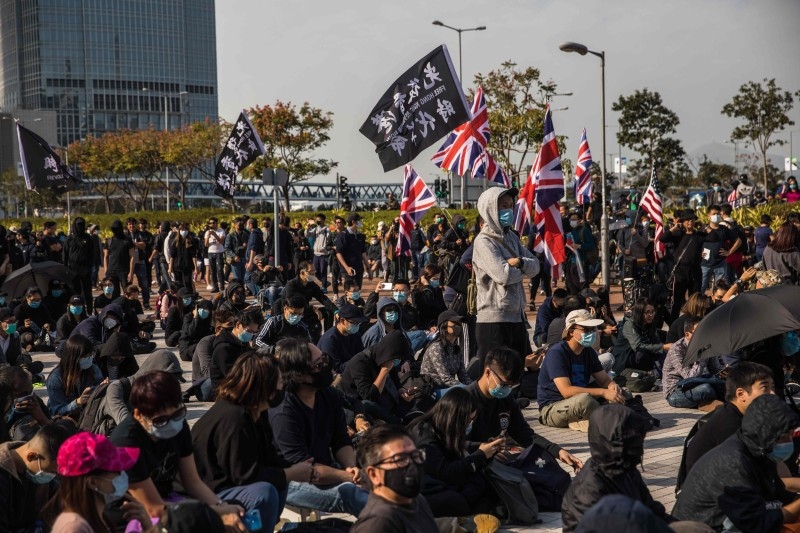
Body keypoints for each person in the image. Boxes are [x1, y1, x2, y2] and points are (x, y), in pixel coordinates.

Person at [192, 352, 315, 532]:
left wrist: (297, 467)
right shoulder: (234, 418)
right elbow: (244, 475)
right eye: (280, 383)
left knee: (278, 480)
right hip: (208, 494)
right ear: (265, 387)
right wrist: (290, 473)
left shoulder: (255, 412)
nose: (283, 387)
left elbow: (268, 458)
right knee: (265, 493)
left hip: (227, 485)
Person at [109, 371, 244, 524]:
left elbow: (193, 482)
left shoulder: (178, 426)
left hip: (168, 500)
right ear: (139, 414)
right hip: (132, 516)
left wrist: (222, 506)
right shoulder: (125, 444)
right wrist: (217, 512)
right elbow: (153, 508)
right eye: (161, 420)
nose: (172, 423)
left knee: (237, 510)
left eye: (178, 413)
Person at [269, 339, 368, 516]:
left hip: (327, 467)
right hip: (292, 480)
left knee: (386, 483)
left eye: (325, 359)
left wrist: (351, 467)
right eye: (319, 364)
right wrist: (350, 477)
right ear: (300, 375)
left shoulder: (328, 395)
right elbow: (306, 469)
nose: (326, 366)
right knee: (353, 495)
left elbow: (340, 439)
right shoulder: (284, 411)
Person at [672, 394, 800, 531]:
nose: (789, 443)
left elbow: (779, 495)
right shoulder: (733, 464)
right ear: (765, 434)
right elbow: (757, 524)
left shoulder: (758, 451)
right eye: (784, 437)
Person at [468, 347, 583, 470]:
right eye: (504, 384)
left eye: (512, 386)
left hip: (495, 460)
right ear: (488, 372)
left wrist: (557, 451)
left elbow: (525, 435)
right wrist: (483, 451)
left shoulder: (506, 400)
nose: (507, 389)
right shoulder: (463, 400)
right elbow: (451, 444)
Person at [560, 404, 667, 532]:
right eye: (630, 438)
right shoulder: (590, 487)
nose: (638, 444)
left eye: (638, 437)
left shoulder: (625, 469)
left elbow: (653, 511)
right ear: (610, 441)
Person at [407, 388, 499, 518]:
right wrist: (481, 455)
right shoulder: (425, 437)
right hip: (424, 493)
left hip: (436, 485)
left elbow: (453, 445)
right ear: (455, 417)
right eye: (468, 421)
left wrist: (484, 447)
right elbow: (446, 473)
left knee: (483, 481)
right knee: (470, 491)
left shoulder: (437, 426)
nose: (469, 424)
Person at [472, 187, 539, 365]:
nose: (508, 211)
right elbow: (503, 275)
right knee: (496, 375)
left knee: (521, 371)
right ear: (490, 208)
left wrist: (519, 262)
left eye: (510, 205)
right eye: (503, 206)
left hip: (517, 317)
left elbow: (535, 266)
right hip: (494, 320)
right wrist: (521, 268)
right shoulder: (484, 241)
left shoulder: (512, 237)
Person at [538, 310, 625, 431]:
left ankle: (587, 419)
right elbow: (566, 391)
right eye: (586, 329)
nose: (592, 333)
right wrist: (603, 392)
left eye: (593, 329)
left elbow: (604, 379)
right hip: (553, 407)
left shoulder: (588, 351)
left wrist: (612, 386)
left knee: (622, 393)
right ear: (571, 331)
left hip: (579, 402)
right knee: (586, 401)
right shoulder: (557, 353)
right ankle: (598, 420)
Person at [684, 361, 775, 474]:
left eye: (772, 387)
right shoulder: (729, 426)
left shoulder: (742, 414)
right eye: (765, 387)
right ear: (741, 394)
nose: (772, 393)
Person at [51, 431, 151, 533]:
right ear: (93, 482)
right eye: (116, 471)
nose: (123, 475)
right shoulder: (74, 527)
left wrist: (147, 527)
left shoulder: (97, 518)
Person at [351, 425, 438, 533]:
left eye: (415, 455)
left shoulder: (416, 500)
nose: (412, 465)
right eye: (401, 459)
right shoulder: (378, 523)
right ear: (374, 474)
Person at [0, 420, 77, 532]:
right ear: (32, 456)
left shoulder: (35, 469)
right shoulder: (3, 477)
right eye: (52, 471)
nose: (53, 476)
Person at [662, 318, 724, 410]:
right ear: (687, 334)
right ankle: (709, 403)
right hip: (677, 390)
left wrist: (724, 372)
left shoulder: (707, 344)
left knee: (727, 384)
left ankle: (708, 402)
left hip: (698, 383)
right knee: (707, 389)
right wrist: (701, 356)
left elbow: (715, 369)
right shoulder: (676, 349)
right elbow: (690, 377)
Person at [660, 209, 704, 319]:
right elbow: (662, 238)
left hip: (695, 271)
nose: (690, 222)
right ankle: (673, 324)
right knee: (677, 300)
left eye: (692, 220)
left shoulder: (699, 235)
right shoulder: (678, 235)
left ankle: (694, 321)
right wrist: (675, 227)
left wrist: (703, 226)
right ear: (683, 222)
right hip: (680, 272)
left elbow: (714, 237)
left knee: (695, 299)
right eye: (687, 220)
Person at [46, 334, 104, 417]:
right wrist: (78, 402)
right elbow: (57, 411)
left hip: (88, 414)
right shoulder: (56, 378)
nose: (89, 358)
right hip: (66, 419)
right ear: (74, 358)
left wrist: (102, 388)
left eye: (91, 355)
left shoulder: (93, 369)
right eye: (86, 356)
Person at [612, 297, 672, 374]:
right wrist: (662, 347)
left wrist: (664, 348)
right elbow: (637, 346)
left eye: (653, 311)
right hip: (625, 357)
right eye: (647, 312)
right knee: (641, 355)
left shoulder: (650, 323)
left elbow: (656, 342)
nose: (651, 315)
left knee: (662, 350)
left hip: (644, 352)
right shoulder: (629, 324)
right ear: (640, 313)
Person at [283, 261, 338, 342]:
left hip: (308, 310)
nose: (313, 273)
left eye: (314, 271)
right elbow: (292, 303)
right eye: (310, 271)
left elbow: (322, 298)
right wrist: (313, 309)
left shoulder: (311, 284)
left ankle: (327, 336)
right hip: (295, 312)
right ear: (302, 272)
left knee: (328, 311)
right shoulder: (291, 285)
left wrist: (336, 311)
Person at [209, 309, 261, 392]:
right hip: (225, 391)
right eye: (249, 331)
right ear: (238, 325)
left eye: (254, 333)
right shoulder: (223, 347)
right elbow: (232, 376)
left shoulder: (242, 342)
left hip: (240, 386)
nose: (251, 335)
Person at [419, 310, 470, 393]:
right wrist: (466, 388)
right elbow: (445, 378)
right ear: (444, 326)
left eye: (459, 323)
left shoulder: (456, 349)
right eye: (455, 323)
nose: (458, 326)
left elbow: (463, 375)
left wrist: (474, 386)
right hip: (433, 389)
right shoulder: (436, 347)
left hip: (448, 387)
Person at [317, 303, 368, 374]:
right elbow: (336, 369)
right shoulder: (329, 341)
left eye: (359, 323)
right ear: (342, 320)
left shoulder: (354, 334)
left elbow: (360, 352)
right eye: (355, 323)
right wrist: (359, 360)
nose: (357, 326)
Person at [700, 205, 741, 292]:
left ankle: (718, 305)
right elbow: (696, 243)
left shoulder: (724, 229)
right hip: (704, 264)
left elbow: (738, 241)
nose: (716, 216)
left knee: (720, 290)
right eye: (714, 214)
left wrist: (729, 252)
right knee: (701, 288)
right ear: (708, 216)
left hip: (720, 264)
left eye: (718, 214)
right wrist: (698, 253)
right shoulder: (703, 229)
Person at [64, 216, 97, 315]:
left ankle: (89, 311)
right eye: (78, 225)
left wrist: (89, 267)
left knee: (87, 292)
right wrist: (65, 268)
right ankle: (75, 312)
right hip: (72, 269)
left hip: (85, 269)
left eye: (82, 225)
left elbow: (92, 253)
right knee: (74, 291)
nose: (80, 227)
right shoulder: (70, 238)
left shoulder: (88, 238)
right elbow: (65, 254)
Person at [335, 212, 371, 290]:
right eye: (359, 220)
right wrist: (346, 267)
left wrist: (368, 269)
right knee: (350, 291)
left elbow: (363, 253)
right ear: (353, 222)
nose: (361, 223)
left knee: (357, 290)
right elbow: (338, 253)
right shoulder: (343, 235)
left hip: (359, 268)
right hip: (348, 270)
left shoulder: (360, 236)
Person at [14, 286, 55, 352]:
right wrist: (24, 326)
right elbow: (14, 330)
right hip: (27, 336)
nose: (36, 302)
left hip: (42, 334)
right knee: (27, 337)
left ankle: (37, 346)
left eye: (39, 300)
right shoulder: (19, 310)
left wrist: (48, 324)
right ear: (27, 298)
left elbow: (49, 320)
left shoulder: (42, 307)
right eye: (33, 300)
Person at [410, 265, 446, 330]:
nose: (437, 281)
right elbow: (426, 304)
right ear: (425, 278)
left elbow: (442, 308)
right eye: (435, 279)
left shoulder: (437, 290)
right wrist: (427, 286)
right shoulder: (416, 292)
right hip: (423, 325)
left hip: (436, 324)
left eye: (438, 279)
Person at [178, 297, 213, 362]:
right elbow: (190, 333)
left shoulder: (207, 320)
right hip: (187, 349)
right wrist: (196, 318)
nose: (204, 311)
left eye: (207, 310)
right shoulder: (188, 317)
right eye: (202, 308)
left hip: (199, 347)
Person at [104, 219, 135, 291]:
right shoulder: (109, 241)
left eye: (117, 229)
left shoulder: (127, 240)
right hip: (111, 271)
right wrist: (106, 270)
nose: (115, 231)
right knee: (112, 293)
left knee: (127, 291)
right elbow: (105, 256)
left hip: (124, 270)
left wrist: (131, 272)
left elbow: (132, 257)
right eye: (114, 229)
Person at [169, 223, 198, 292]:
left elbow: (193, 256)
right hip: (177, 266)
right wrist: (170, 268)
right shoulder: (175, 242)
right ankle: (179, 297)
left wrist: (196, 268)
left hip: (187, 265)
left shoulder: (191, 241)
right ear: (179, 230)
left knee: (188, 282)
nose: (184, 231)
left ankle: (190, 297)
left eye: (185, 229)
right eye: (182, 229)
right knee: (179, 283)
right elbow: (172, 256)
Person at [205, 217, 226, 293]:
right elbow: (206, 244)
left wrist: (214, 234)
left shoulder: (221, 231)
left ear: (216, 223)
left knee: (220, 270)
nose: (212, 224)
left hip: (219, 252)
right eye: (210, 223)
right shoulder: (208, 232)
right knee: (213, 270)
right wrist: (208, 236)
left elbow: (221, 241)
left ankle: (222, 286)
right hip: (210, 252)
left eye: (213, 223)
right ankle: (215, 286)